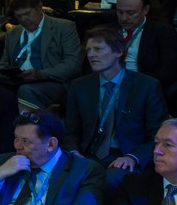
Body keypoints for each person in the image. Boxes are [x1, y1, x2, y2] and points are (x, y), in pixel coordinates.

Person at [64, 27, 169, 179]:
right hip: (88, 155)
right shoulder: (79, 86)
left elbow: (157, 134)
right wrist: (73, 152)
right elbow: (71, 131)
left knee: (111, 179)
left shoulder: (146, 86)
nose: (91, 55)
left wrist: (133, 157)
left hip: (125, 156)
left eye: (98, 49)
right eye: (88, 50)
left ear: (119, 52)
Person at [0, 0, 82, 111]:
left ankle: (31, 128)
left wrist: (41, 74)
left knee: (26, 90)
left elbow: (73, 64)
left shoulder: (64, 27)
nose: (23, 19)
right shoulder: (13, 33)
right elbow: (3, 62)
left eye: (27, 14)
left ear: (39, 7)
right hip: (18, 81)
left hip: (52, 81)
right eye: (19, 16)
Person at [108, 0, 177, 93]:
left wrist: (131, 81)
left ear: (145, 10)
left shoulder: (162, 32)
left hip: (142, 87)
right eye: (120, 12)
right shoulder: (108, 31)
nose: (124, 18)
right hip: (109, 85)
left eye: (130, 13)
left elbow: (168, 71)